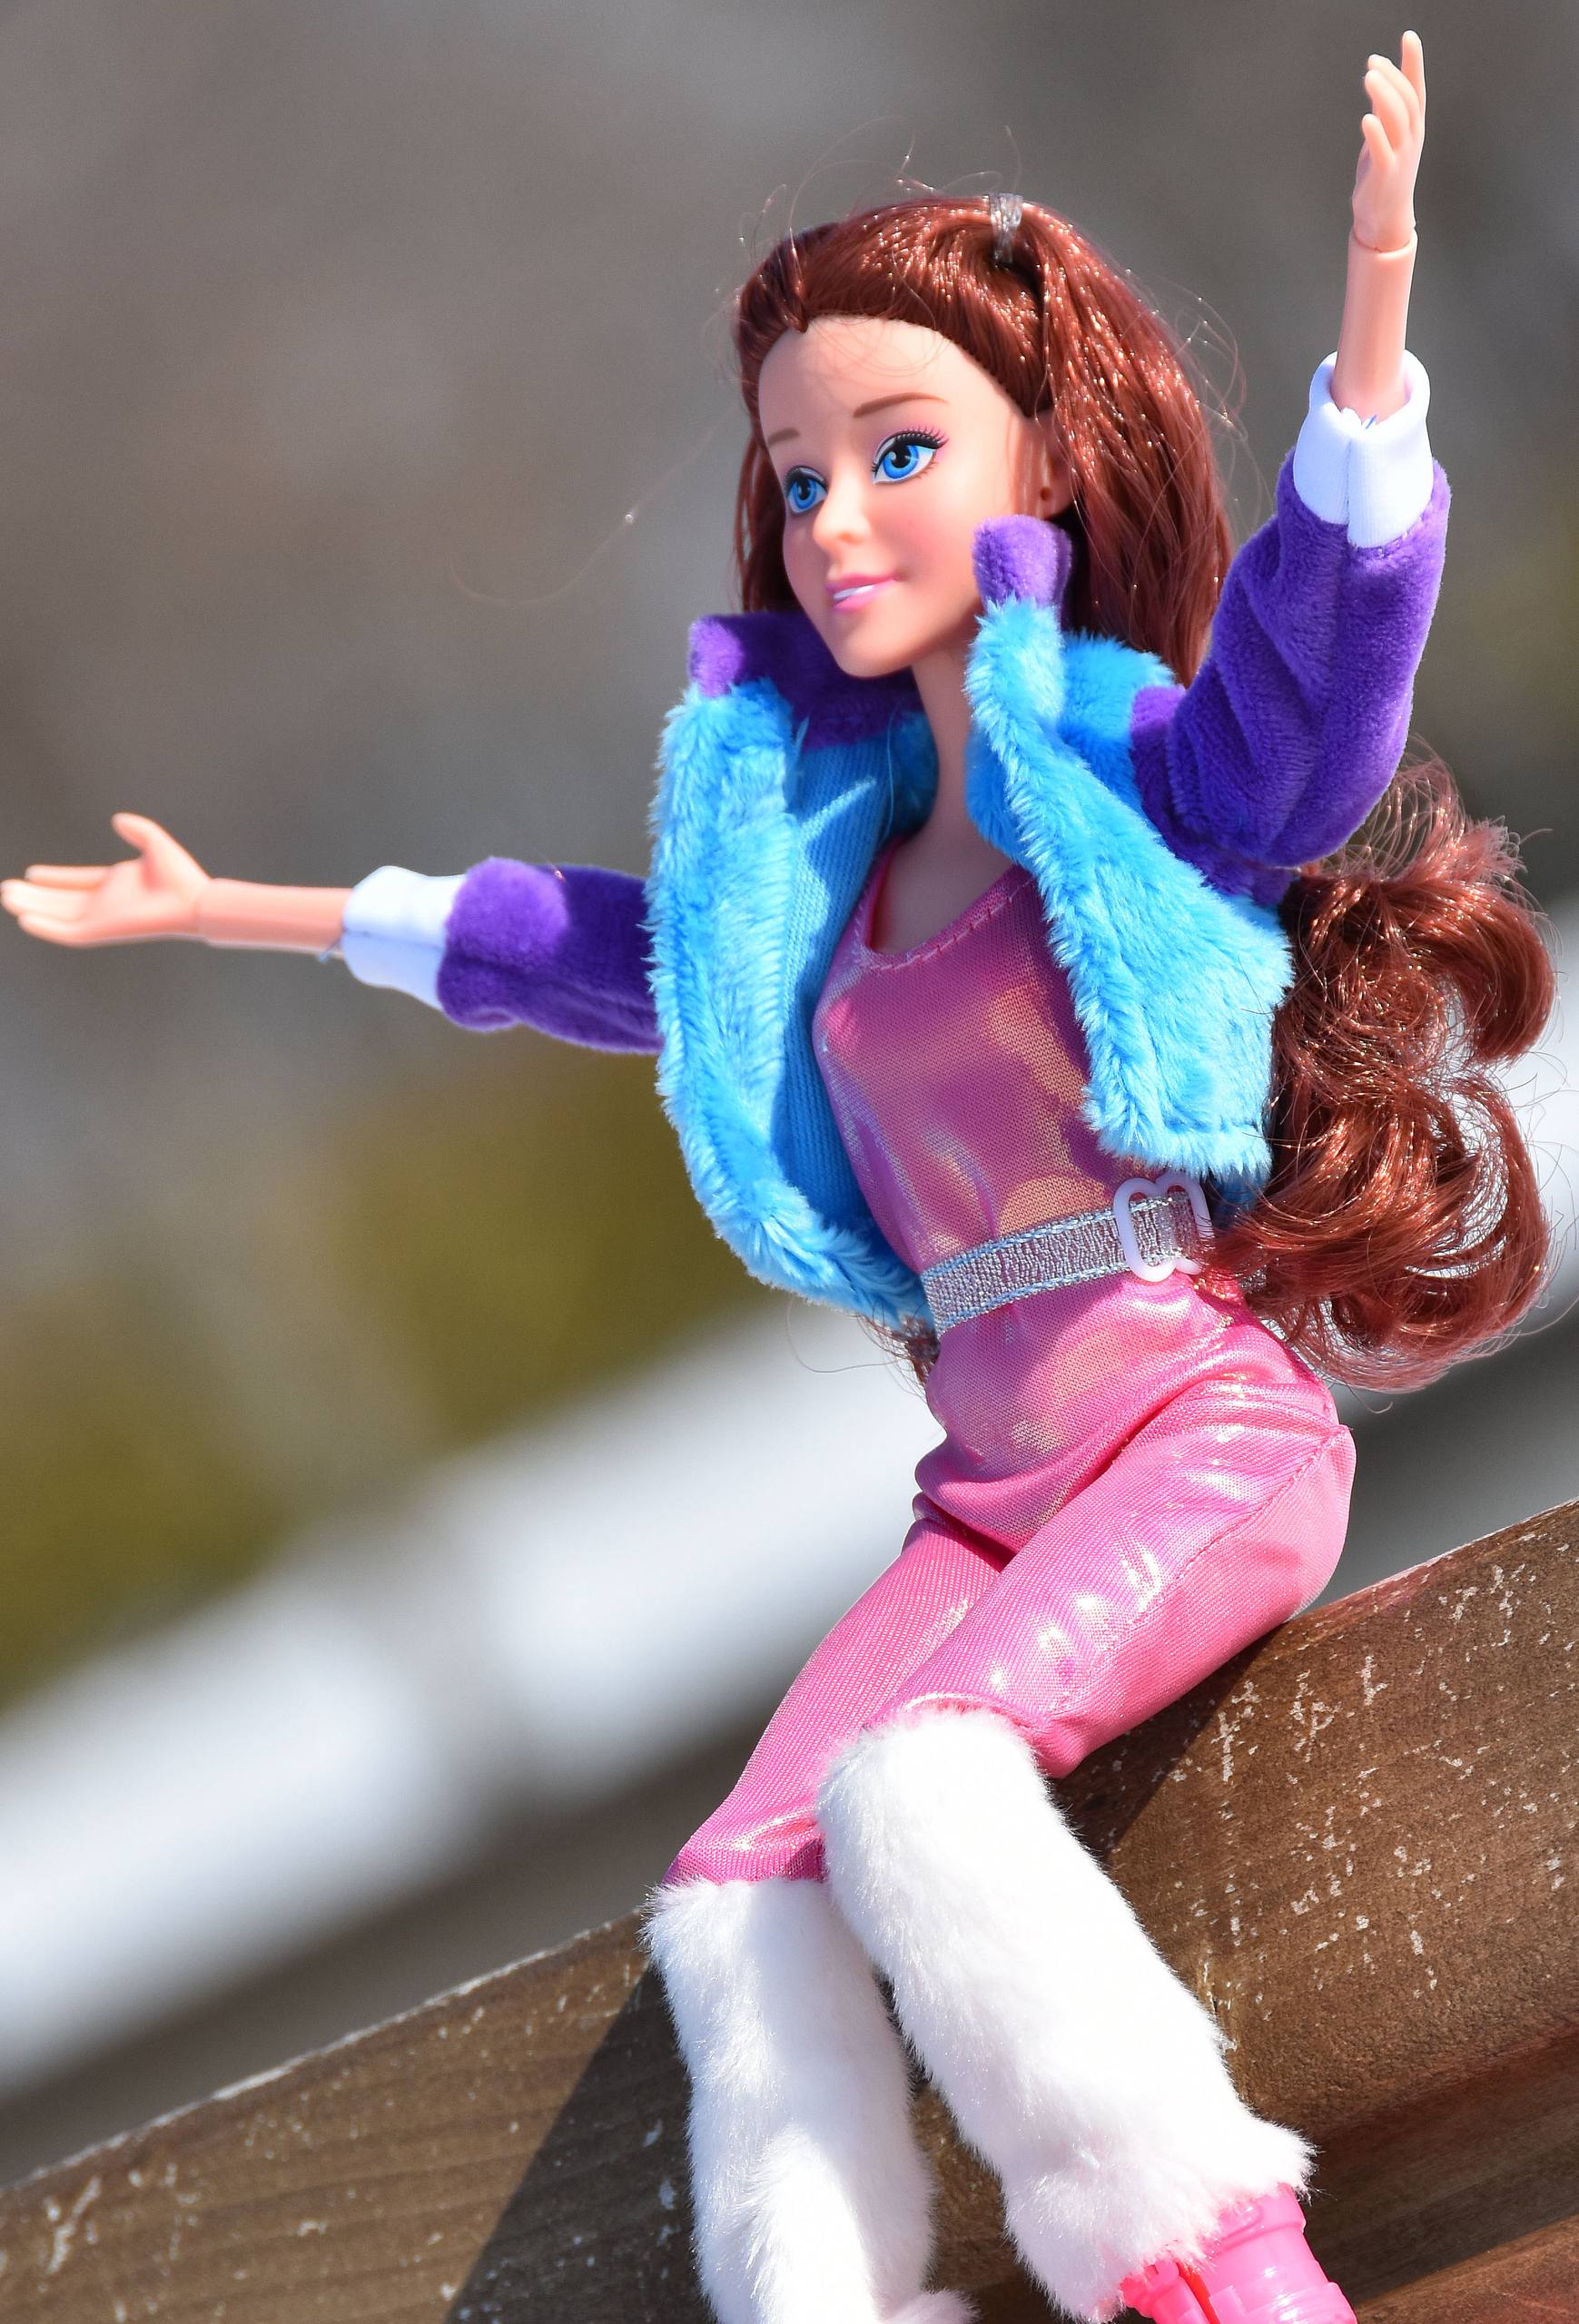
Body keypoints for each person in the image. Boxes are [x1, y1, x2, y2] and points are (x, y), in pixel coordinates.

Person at [4, 33, 1553, 2323]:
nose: (835, 519)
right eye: (799, 471)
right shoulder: (811, 867)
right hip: (988, 1484)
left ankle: (1220, 2276)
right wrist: (244, 906)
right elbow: (592, 951)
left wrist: (1376, 314)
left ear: (1046, 456)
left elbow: (1308, 708)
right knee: (740, 1887)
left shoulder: (1124, 763)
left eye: (900, 452)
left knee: (924, 1785)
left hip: (1196, 1431)